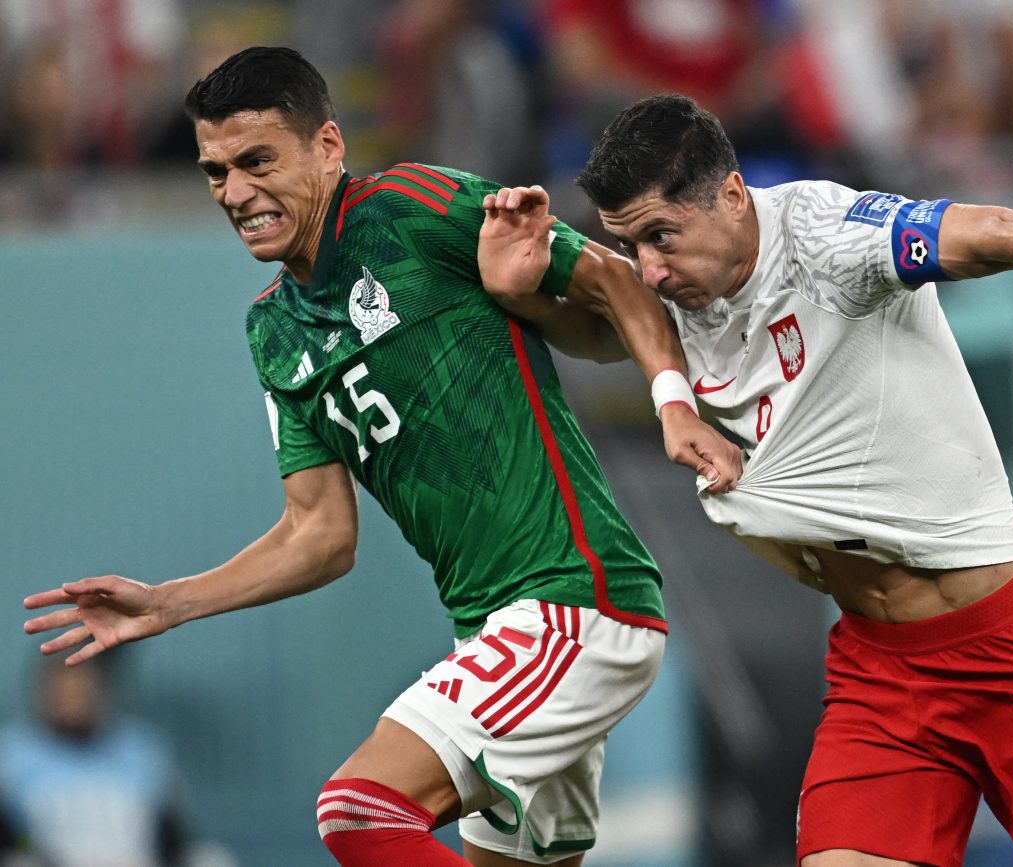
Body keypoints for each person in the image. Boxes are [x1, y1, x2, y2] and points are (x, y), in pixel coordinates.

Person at [478, 93, 1013, 867]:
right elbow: (599, 318)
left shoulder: (826, 238)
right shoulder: (682, 290)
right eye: (632, 244)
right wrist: (516, 289)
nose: (649, 269)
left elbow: (987, 233)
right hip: (881, 671)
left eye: (661, 237)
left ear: (729, 195)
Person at [22, 48, 741, 867]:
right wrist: (166, 604)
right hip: (496, 631)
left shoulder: (407, 207)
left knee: (359, 808)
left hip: (571, 602)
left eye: (258, 161)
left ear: (328, 146)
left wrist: (672, 402)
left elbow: (614, 281)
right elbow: (320, 534)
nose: (236, 193)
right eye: (216, 171)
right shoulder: (273, 331)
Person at [0, 653, 191, 867]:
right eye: (64, 687)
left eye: (82, 685)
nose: (74, 697)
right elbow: (17, 837)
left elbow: (170, 836)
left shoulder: (141, 750)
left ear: (102, 688)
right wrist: (30, 849)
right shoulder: (14, 755)